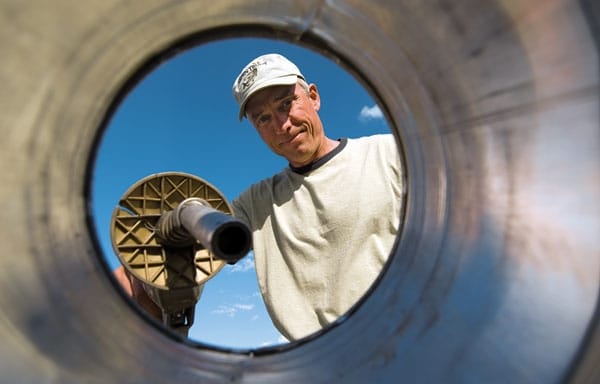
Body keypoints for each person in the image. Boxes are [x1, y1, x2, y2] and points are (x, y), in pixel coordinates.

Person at [116, 53, 404, 342]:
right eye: (263, 118)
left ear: (313, 97)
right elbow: (191, 247)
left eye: (286, 104)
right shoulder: (255, 204)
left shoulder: (390, 156)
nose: (282, 125)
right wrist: (139, 280)